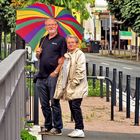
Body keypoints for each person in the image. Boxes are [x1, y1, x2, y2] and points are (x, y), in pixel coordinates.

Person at [35, 18, 67, 135]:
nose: (50, 27)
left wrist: (56, 72)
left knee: (54, 103)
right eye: (48, 25)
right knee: (44, 104)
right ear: (45, 27)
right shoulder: (43, 39)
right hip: (41, 76)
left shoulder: (61, 40)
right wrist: (37, 53)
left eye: (53, 24)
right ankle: (48, 125)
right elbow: (39, 58)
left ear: (57, 26)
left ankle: (57, 127)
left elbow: (63, 58)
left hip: (53, 76)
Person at [54, 35, 88, 138]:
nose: (71, 44)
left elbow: (80, 70)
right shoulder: (68, 55)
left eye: (73, 42)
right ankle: (77, 128)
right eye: (69, 43)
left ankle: (80, 129)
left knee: (75, 106)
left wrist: (73, 83)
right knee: (72, 107)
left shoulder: (79, 54)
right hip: (69, 87)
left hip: (77, 86)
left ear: (77, 44)